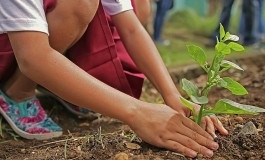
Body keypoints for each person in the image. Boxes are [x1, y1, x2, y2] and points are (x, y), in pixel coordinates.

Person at [0, 0, 228, 158]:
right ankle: (17, 92)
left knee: (139, 6)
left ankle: (61, 84)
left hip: (32, 36)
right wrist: (137, 112)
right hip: (14, 46)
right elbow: (33, 57)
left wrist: (172, 95)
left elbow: (130, 28)